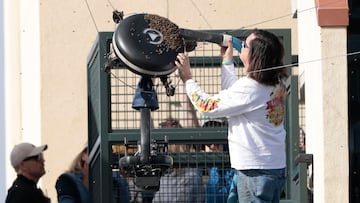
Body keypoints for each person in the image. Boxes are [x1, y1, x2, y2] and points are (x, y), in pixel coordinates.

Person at [176, 29, 288, 202]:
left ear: (254, 54)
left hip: (254, 172)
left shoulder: (251, 87)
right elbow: (235, 95)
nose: (240, 46)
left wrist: (188, 79)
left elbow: (207, 106)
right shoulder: (276, 82)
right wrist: (227, 61)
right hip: (270, 167)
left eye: (244, 45)